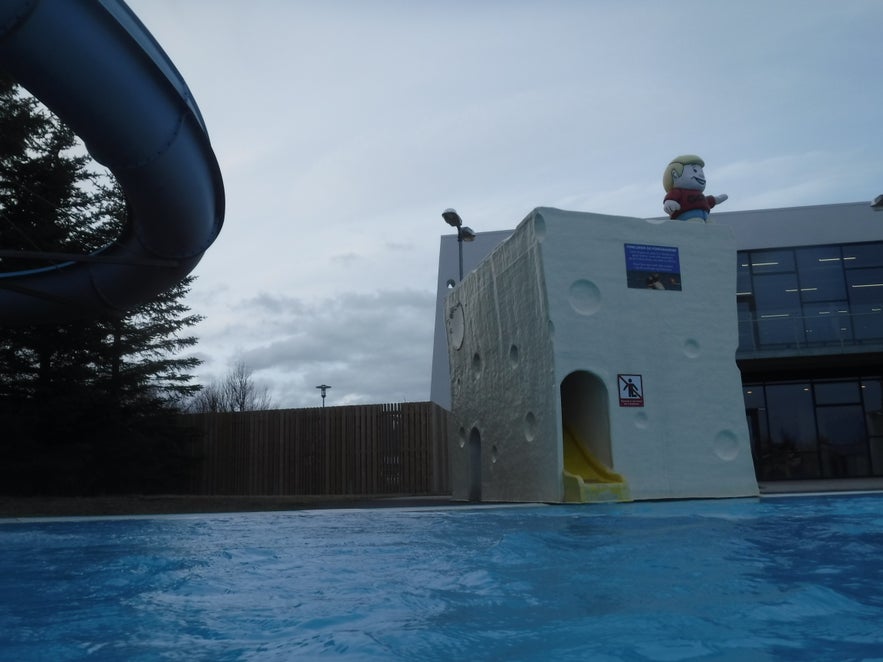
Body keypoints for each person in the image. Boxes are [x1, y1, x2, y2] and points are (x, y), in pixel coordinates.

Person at [662, 154, 728, 222]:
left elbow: (708, 200)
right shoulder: (679, 191)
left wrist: (717, 199)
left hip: (705, 218)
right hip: (686, 218)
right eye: (695, 170)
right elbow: (671, 197)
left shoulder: (700, 195)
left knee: (711, 224)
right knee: (696, 222)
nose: (701, 175)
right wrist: (669, 202)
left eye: (701, 172)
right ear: (675, 174)